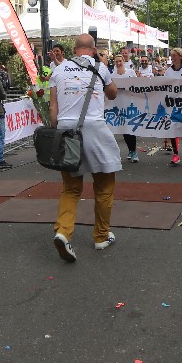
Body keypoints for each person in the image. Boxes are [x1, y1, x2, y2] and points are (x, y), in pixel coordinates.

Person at [49, 33, 121, 262]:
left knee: (70, 188)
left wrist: (57, 133)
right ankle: (101, 236)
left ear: (73, 49)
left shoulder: (58, 70)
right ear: (94, 50)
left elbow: (53, 108)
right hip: (95, 130)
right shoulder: (100, 67)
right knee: (104, 185)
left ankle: (63, 232)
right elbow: (113, 93)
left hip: (66, 131)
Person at [161, 47, 182, 165]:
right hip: (172, 102)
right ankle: (175, 154)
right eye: (171, 55)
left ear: (180, 56)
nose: (172, 57)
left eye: (174, 55)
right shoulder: (168, 71)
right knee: (173, 127)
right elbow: (164, 84)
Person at [111, 54, 140, 163]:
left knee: (130, 128)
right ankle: (130, 150)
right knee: (124, 129)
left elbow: (136, 86)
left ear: (124, 62)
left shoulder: (130, 72)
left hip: (130, 104)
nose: (118, 63)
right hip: (119, 104)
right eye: (116, 61)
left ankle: (134, 151)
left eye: (120, 61)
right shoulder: (113, 75)